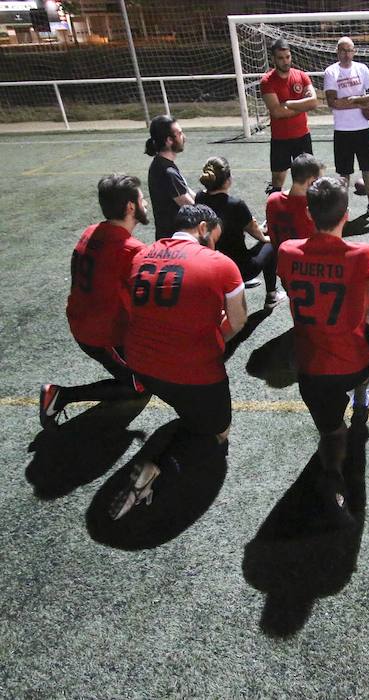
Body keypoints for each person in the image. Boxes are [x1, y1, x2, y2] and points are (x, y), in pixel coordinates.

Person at [111, 204, 247, 520]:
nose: (215, 244)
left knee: (184, 403)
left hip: (140, 361)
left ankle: (184, 420)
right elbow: (238, 321)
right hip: (192, 368)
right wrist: (215, 340)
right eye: (214, 236)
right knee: (217, 432)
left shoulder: (140, 254)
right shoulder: (219, 263)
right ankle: (157, 468)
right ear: (202, 227)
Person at [277, 177, 369, 525]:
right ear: (346, 215)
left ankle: (333, 472)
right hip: (353, 359)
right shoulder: (361, 253)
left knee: (333, 432)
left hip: (311, 365)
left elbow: (290, 287)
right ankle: (362, 395)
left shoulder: (287, 251)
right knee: (368, 337)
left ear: (309, 213)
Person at [39, 174, 149, 429]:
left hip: (82, 320)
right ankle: (61, 395)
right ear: (131, 207)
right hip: (101, 334)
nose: (146, 204)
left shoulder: (91, 231)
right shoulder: (132, 250)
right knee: (141, 386)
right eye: (142, 199)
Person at [195, 156, 286, 310]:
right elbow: (257, 234)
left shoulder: (199, 197)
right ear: (227, 180)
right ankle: (271, 295)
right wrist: (265, 235)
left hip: (213, 266)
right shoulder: (236, 204)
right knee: (271, 244)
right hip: (240, 268)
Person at [323, 36, 369, 217]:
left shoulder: (362, 69)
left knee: (367, 169)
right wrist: (362, 103)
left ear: (354, 51)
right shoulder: (331, 72)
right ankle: (343, 207)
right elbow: (333, 102)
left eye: (349, 50)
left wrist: (355, 99)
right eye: (343, 50)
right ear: (337, 52)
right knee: (344, 173)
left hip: (363, 128)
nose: (347, 54)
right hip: (342, 131)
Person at [260, 38, 318, 195]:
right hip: (280, 138)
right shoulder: (267, 81)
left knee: (307, 177)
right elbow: (277, 112)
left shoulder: (301, 76)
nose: (285, 61)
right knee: (278, 179)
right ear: (273, 59)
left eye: (288, 57)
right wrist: (302, 104)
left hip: (302, 136)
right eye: (280, 58)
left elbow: (313, 102)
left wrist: (289, 103)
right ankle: (274, 214)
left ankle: (308, 211)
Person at [145, 115, 193, 241]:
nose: (184, 138)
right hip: (174, 242)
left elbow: (188, 192)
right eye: (180, 134)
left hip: (170, 238)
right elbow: (191, 205)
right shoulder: (167, 172)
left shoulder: (162, 164)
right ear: (169, 140)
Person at [265, 153, 323, 253]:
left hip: (280, 255)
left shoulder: (272, 200)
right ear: (311, 182)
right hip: (303, 260)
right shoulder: (314, 206)